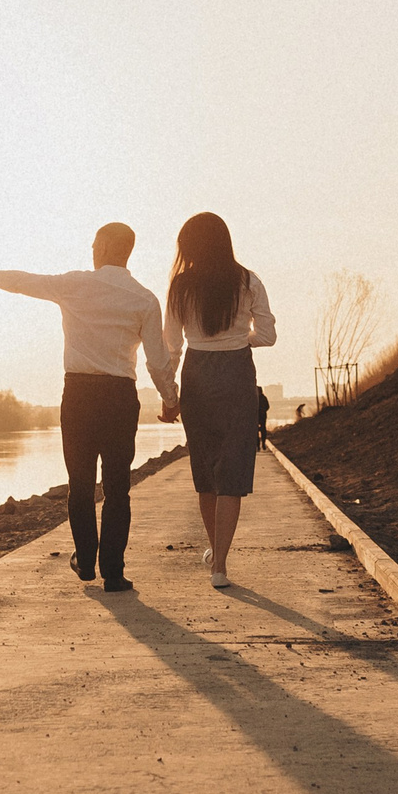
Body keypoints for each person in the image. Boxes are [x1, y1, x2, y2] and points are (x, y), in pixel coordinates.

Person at [0, 223, 174, 593]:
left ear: (104, 246)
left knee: (80, 484)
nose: (91, 250)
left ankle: (86, 561)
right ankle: (114, 573)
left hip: (80, 395)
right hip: (121, 397)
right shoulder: (145, 299)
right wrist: (171, 399)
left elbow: (25, 282)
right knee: (118, 488)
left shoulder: (76, 285)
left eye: (93, 244)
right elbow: (158, 360)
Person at [163, 212, 275, 589]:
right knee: (232, 472)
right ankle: (220, 566)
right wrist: (240, 339)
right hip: (237, 377)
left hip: (196, 375)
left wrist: (169, 394)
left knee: (206, 472)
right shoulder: (248, 280)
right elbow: (269, 335)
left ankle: (215, 551)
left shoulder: (180, 287)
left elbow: (171, 346)